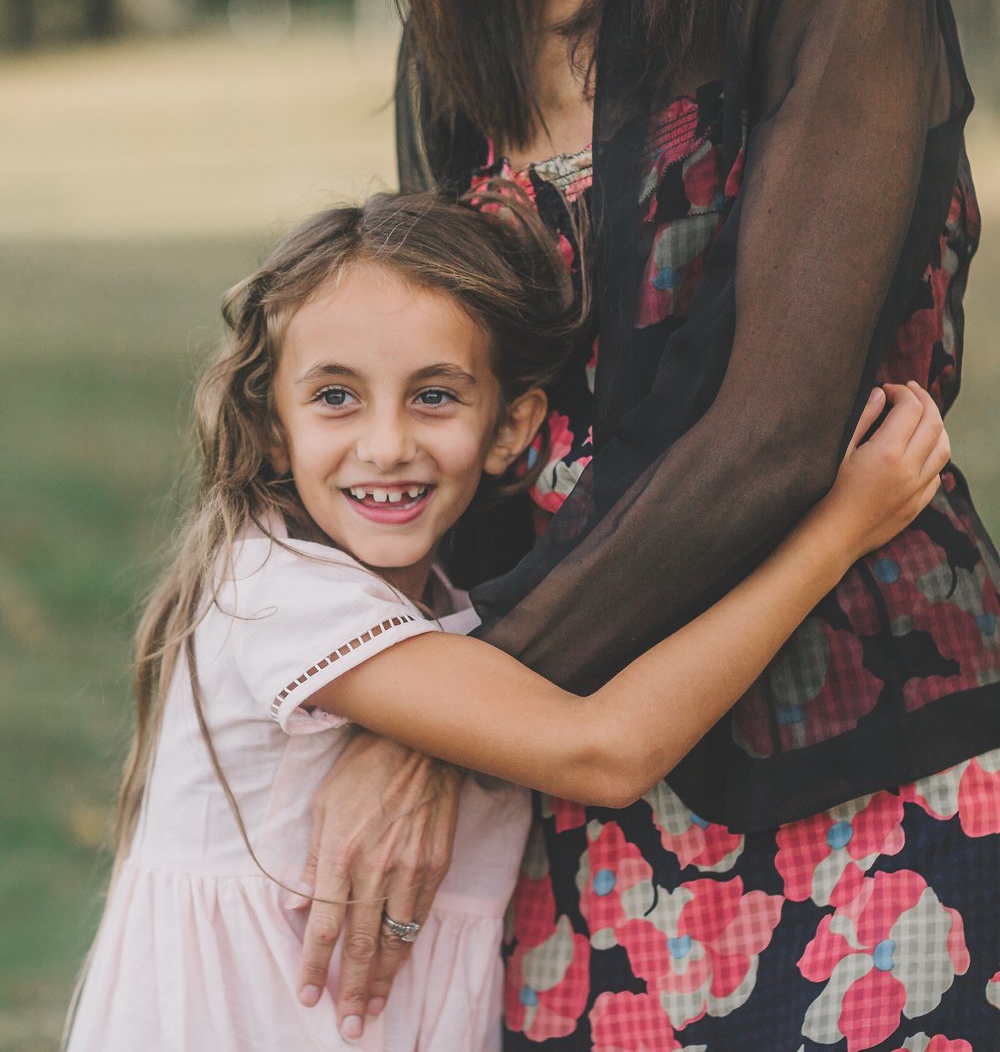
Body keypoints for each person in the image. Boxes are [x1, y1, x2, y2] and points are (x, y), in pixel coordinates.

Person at [300, 0, 1000, 1048]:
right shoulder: (464, 14)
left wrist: (441, 735)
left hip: (848, 757)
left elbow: (772, 429)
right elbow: (433, 404)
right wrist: (441, 707)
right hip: (557, 782)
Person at [64, 187, 944, 1052]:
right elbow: (604, 750)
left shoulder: (450, 607)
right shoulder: (276, 590)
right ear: (269, 425)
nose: (386, 444)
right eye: (336, 397)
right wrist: (836, 533)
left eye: (434, 396)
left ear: (509, 427)